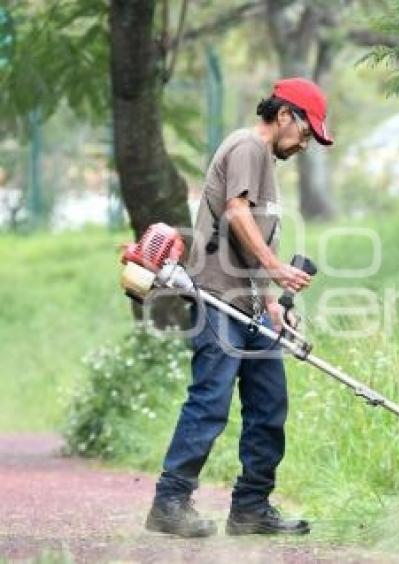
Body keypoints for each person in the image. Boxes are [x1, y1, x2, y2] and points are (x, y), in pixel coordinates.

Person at [144, 78, 333, 538]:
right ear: (285, 114)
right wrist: (277, 269)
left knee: (269, 405)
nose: (307, 141)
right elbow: (235, 213)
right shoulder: (249, 146)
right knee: (210, 401)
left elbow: (249, 240)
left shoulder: (264, 160)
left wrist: (271, 299)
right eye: (307, 130)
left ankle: (250, 508)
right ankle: (170, 502)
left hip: (247, 305)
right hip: (217, 298)